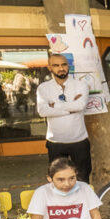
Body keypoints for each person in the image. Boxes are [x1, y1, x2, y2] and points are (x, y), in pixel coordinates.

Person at [35, 53, 92, 181]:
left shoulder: (81, 85)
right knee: (57, 178)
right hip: (55, 142)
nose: (61, 68)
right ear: (50, 67)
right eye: (56, 65)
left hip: (79, 140)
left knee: (83, 178)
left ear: (68, 66)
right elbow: (43, 111)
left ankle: (82, 201)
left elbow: (80, 106)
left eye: (64, 64)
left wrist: (54, 105)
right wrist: (70, 109)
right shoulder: (43, 88)